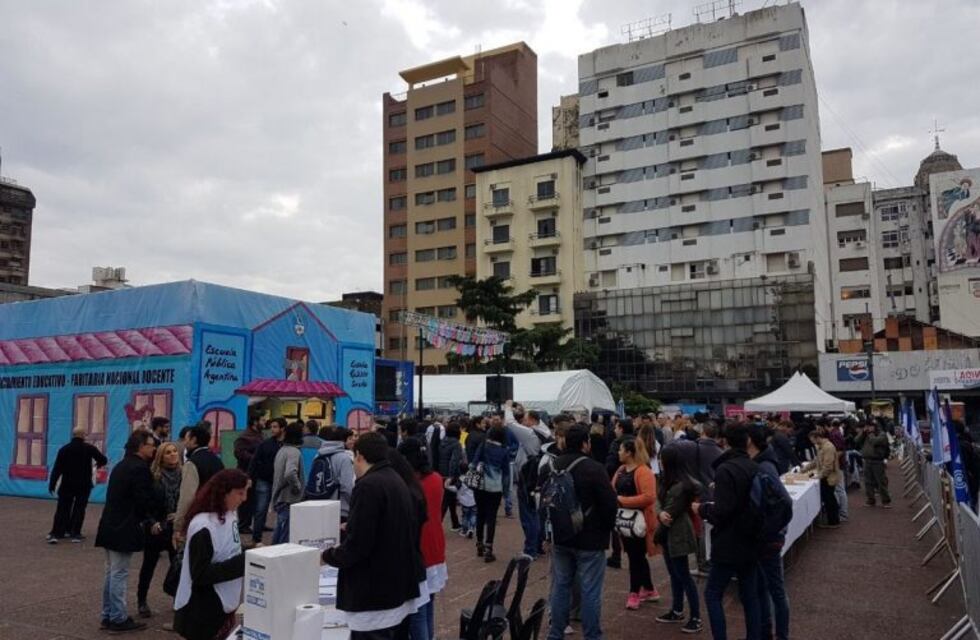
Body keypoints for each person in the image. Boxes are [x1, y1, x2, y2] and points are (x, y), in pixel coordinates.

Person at [321, 432, 423, 640]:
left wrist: (328, 556)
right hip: (396, 584)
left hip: (375, 592)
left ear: (358, 456)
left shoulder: (368, 485)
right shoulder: (395, 478)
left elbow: (359, 545)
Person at [546, 424, 618, 640]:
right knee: (590, 590)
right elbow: (609, 504)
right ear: (585, 443)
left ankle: (556, 632)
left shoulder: (554, 465)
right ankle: (592, 635)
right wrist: (606, 529)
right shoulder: (595, 468)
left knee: (560, 586)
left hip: (561, 535)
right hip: (590, 537)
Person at [695, 421, 761, 640]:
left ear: (724, 441)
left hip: (729, 541)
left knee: (713, 593)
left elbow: (722, 512)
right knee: (749, 595)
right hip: (751, 538)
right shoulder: (753, 466)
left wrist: (702, 508)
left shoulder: (726, 469)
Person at [95, 430, 159, 633]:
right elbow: (143, 500)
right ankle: (118, 618)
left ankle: (108, 615)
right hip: (125, 526)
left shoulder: (122, 465)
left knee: (111, 573)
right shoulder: (140, 469)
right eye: (151, 445)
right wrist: (150, 518)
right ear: (141, 446)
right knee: (119, 573)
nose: (154, 448)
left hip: (110, 524)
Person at [173, 469, 248, 640]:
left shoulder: (230, 514)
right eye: (240, 493)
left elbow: (228, 549)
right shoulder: (203, 525)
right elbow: (200, 574)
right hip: (202, 610)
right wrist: (244, 561)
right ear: (224, 493)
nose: (244, 498)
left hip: (222, 604)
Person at [399, 438, 447, 640]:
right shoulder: (436, 478)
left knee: (417, 609)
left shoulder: (410, 485)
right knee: (428, 605)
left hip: (419, 550)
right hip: (436, 546)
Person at [654, 443, 703, 633]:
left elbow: (670, 509)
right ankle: (677, 609)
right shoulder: (667, 479)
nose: (659, 461)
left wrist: (662, 515)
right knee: (675, 573)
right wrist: (660, 514)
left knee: (682, 574)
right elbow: (659, 503)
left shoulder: (681, 485)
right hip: (668, 530)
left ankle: (696, 616)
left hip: (678, 532)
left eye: (661, 458)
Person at [747, 424, 790, 640]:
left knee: (775, 590)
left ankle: (780, 635)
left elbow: (785, 502)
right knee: (764, 588)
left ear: (750, 441)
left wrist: (770, 532)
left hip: (768, 539)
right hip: (766, 537)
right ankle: (767, 632)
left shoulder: (764, 467)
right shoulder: (763, 464)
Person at [611, 436, 660, 610]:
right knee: (636, 556)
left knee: (635, 557)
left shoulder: (643, 471)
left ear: (629, 452)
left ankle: (634, 592)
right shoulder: (621, 470)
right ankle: (649, 588)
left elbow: (649, 497)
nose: (618, 452)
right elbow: (612, 490)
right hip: (625, 521)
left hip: (640, 522)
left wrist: (622, 500)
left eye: (621, 449)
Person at [137, 441, 182, 618]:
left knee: (177, 565)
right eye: (168, 452)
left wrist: (179, 514)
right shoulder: (153, 476)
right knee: (148, 565)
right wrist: (151, 522)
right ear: (161, 456)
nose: (173, 455)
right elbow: (144, 503)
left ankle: (178, 599)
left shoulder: (184, 475)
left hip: (175, 527)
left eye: (175, 452)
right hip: (156, 527)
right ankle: (142, 601)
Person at [505, 400, 552, 558]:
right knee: (537, 513)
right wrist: (522, 410)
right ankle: (538, 544)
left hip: (527, 477)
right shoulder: (544, 430)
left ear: (531, 421)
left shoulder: (530, 433)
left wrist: (507, 406)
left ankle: (530, 549)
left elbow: (510, 423)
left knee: (528, 514)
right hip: (538, 476)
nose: (522, 422)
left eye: (524, 419)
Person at [47, 425, 108, 543]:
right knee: (79, 508)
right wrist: (97, 465)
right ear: (83, 436)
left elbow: (57, 469)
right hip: (84, 484)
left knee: (63, 507)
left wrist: (52, 484)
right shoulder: (89, 448)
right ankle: (75, 532)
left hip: (67, 484)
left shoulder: (64, 449)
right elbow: (103, 459)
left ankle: (58, 531)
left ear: (73, 435)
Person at [174, 425, 224, 545]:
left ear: (194, 440)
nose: (184, 442)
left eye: (186, 439)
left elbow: (187, 497)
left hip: (198, 517)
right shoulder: (217, 460)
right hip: (217, 514)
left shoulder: (192, 463)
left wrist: (178, 525)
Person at [469, 423, 511, 562]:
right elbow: (506, 475)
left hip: (480, 485)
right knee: (491, 517)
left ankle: (479, 544)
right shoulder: (504, 451)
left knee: (480, 513)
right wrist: (505, 492)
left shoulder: (483, 446)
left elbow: (473, 464)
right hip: (495, 487)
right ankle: (489, 548)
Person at [248, 417, 285, 543]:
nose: (272, 429)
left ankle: (279, 539)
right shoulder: (265, 444)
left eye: (275, 427)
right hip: (264, 479)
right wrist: (250, 477)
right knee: (261, 509)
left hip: (280, 481)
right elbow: (255, 460)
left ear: (282, 429)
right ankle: (256, 538)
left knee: (281, 510)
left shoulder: (287, 445)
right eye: (271, 427)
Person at [604, 418, 635, 569]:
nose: (614, 430)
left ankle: (617, 554)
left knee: (616, 520)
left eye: (616, 427)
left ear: (621, 428)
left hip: (618, 484)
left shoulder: (617, 444)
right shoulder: (638, 441)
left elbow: (610, 465)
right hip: (635, 483)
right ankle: (634, 550)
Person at [271, 421, 305, 544]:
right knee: (285, 534)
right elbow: (290, 472)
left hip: (280, 497)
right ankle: (278, 558)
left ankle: (271, 554)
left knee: (280, 529)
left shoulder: (282, 450)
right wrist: (297, 487)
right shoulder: (294, 452)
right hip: (289, 498)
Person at [315, 426, 357, 520]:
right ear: (343, 440)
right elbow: (347, 486)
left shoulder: (319, 454)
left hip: (321, 504)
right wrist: (354, 503)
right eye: (349, 438)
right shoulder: (344, 458)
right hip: (341, 508)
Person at [803, 428, 842, 527]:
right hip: (825, 477)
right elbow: (816, 461)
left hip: (828, 477)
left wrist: (819, 476)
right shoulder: (821, 447)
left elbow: (828, 466)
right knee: (828, 499)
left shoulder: (828, 447)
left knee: (830, 499)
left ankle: (833, 522)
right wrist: (804, 470)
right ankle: (832, 520)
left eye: (812, 440)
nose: (812, 442)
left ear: (817, 438)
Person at [233, 415, 265, 534]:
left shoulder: (260, 435)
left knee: (256, 499)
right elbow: (239, 453)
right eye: (262, 419)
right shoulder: (245, 437)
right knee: (246, 500)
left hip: (258, 472)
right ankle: (243, 524)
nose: (264, 421)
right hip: (246, 472)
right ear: (255, 422)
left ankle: (257, 522)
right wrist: (255, 458)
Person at [856, 421, 892, 508]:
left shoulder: (882, 434)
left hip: (877, 461)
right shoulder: (865, 434)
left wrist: (871, 434)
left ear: (875, 427)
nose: (868, 428)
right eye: (867, 426)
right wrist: (863, 433)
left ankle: (886, 501)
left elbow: (875, 441)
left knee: (880, 481)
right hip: (867, 460)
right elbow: (856, 440)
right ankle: (870, 500)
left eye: (870, 426)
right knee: (868, 482)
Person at [438, 420, 465, 531]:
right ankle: (438, 524)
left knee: (450, 499)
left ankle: (455, 522)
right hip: (450, 474)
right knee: (447, 499)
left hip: (441, 472)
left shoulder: (442, 441)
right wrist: (451, 476)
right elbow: (454, 461)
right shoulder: (456, 444)